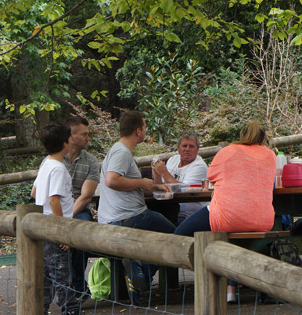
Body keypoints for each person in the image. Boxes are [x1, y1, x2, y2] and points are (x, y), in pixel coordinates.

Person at [174, 120, 276, 302]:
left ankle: (214, 274)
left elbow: (211, 175)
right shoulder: (270, 155)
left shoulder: (228, 151)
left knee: (179, 234)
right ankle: (232, 282)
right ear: (263, 138)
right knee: (233, 235)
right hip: (263, 220)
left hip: (229, 217)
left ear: (242, 135)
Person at [97, 110, 175, 303]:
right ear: (138, 131)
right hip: (127, 217)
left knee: (162, 231)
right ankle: (142, 273)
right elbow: (112, 180)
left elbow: (125, 183)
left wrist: (152, 184)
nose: (145, 130)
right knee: (176, 235)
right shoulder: (122, 152)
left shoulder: (119, 150)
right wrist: (141, 183)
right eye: (145, 126)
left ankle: (139, 275)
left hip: (117, 216)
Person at [31, 123, 93, 315]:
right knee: (62, 275)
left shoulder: (46, 163)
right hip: (54, 226)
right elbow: (55, 200)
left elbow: (34, 193)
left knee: (48, 275)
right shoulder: (58, 169)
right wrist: (62, 232)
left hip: (42, 224)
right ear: (65, 143)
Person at [63, 115, 100, 301]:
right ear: (71, 136)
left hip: (79, 209)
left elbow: (86, 196)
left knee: (79, 232)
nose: (88, 138)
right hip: (56, 209)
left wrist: (66, 217)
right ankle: (69, 287)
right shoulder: (54, 159)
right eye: (84, 134)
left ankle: (76, 287)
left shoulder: (91, 161)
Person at [151, 131, 208, 224]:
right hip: (171, 210)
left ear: (197, 149)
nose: (187, 149)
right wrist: (157, 174)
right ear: (178, 148)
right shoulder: (173, 160)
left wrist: (164, 173)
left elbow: (184, 190)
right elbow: (162, 187)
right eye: (184, 146)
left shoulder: (199, 166)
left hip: (189, 216)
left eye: (191, 146)